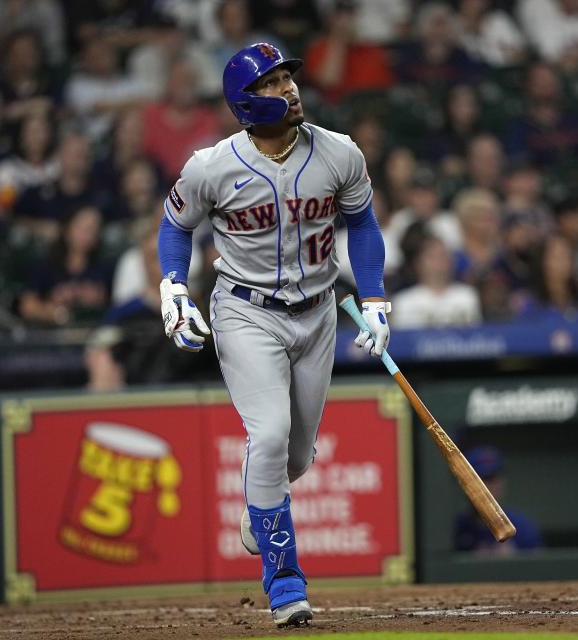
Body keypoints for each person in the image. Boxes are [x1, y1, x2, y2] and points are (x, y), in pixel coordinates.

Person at [156, 43, 389, 627]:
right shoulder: (212, 165)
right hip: (246, 311)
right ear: (244, 101)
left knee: (296, 455)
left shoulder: (338, 152)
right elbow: (174, 225)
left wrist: (377, 298)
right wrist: (173, 289)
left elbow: (362, 223)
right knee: (269, 433)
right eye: (271, 82)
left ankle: (260, 505)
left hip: (318, 314)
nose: (288, 89)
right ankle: (285, 585)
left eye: (288, 77)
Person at [454, 446, 542, 554]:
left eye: (493, 478)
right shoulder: (456, 529)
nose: (488, 487)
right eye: (481, 479)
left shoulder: (522, 528)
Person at [390, 234, 482, 328]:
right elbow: (400, 340)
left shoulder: (467, 296)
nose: (440, 261)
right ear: (418, 263)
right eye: (432, 256)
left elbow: (475, 337)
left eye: (443, 255)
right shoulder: (404, 302)